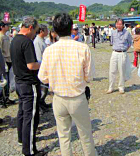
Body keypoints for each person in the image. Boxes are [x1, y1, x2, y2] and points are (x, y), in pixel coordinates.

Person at [38, 13, 97, 156]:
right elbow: (89, 77)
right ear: (71, 28)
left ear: (55, 30)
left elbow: (43, 78)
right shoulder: (82, 48)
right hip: (77, 97)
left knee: (63, 136)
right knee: (85, 134)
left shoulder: (49, 50)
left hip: (58, 98)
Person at [10, 17, 41, 156]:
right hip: (29, 83)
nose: (35, 34)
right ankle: (29, 150)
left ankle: (22, 139)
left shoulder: (14, 39)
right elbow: (31, 65)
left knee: (22, 112)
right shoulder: (27, 42)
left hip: (19, 81)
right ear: (30, 28)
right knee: (31, 116)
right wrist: (44, 64)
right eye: (35, 31)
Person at [107, 18, 132, 94]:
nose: (119, 25)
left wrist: (124, 50)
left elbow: (129, 43)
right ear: (115, 24)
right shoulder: (113, 32)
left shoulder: (127, 33)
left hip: (122, 53)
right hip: (114, 52)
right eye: (117, 24)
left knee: (122, 71)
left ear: (123, 25)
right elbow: (112, 42)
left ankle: (121, 87)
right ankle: (111, 87)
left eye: (120, 24)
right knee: (112, 71)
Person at [0, 21, 15, 107]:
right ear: (2, 27)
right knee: (4, 82)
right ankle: (0, 100)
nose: (8, 26)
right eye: (7, 25)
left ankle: (6, 98)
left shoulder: (5, 36)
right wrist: (2, 63)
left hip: (9, 60)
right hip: (4, 61)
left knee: (8, 81)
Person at [33, 24, 51, 114]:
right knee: (42, 88)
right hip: (41, 68)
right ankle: (38, 105)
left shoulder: (42, 40)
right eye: (46, 30)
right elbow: (39, 57)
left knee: (45, 87)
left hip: (45, 66)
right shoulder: (38, 42)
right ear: (41, 31)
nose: (48, 32)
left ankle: (42, 102)